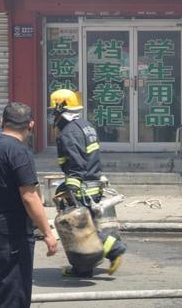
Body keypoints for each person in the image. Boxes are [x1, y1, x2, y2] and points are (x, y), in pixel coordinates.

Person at [49, 89, 126, 277]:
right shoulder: (85, 125)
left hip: (81, 185)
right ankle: (82, 268)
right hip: (92, 181)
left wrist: (72, 187)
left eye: (54, 111)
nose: (53, 115)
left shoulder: (68, 132)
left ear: (61, 109)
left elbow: (76, 162)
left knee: (80, 227)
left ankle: (114, 249)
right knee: (87, 224)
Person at [0, 102, 58, 308]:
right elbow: (29, 197)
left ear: (2, 122)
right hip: (11, 237)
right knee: (13, 294)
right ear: (31, 125)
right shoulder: (18, 153)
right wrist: (48, 233)